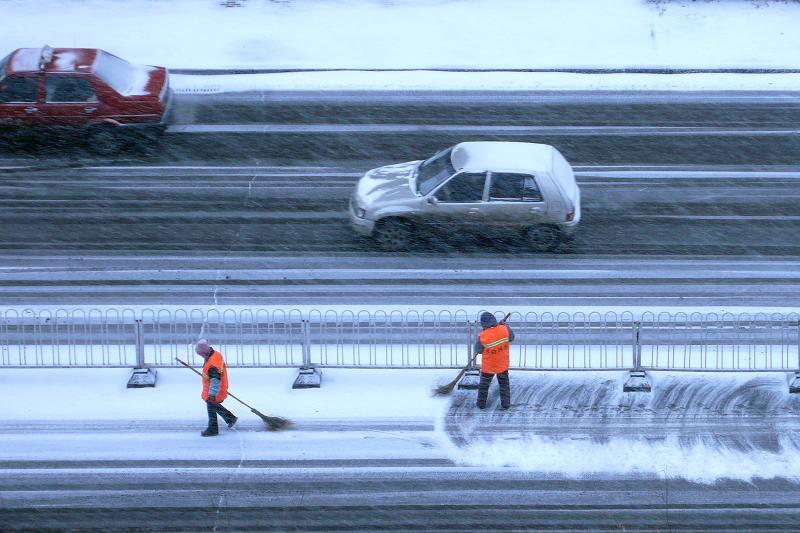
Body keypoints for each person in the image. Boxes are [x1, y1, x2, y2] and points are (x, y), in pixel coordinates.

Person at [195, 339, 237, 437]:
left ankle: (213, 429)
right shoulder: (215, 354)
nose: (201, 356)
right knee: (214, 405)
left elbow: (215, 380)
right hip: (217, 387)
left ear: (204, 353)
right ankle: (230, 418)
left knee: (211, 406)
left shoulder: (212, 364)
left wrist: (212, 395)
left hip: (215, 389)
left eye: (200, 354)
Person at [474, 312, 515, 410]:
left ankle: (481, 404)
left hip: (489, 366)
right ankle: (506, 404)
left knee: (484, 386)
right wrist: (505, 326)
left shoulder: (483, 336)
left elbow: (478, 350)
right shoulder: (504, 329)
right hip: (502, 364)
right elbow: (512, 338)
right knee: (504, 385)